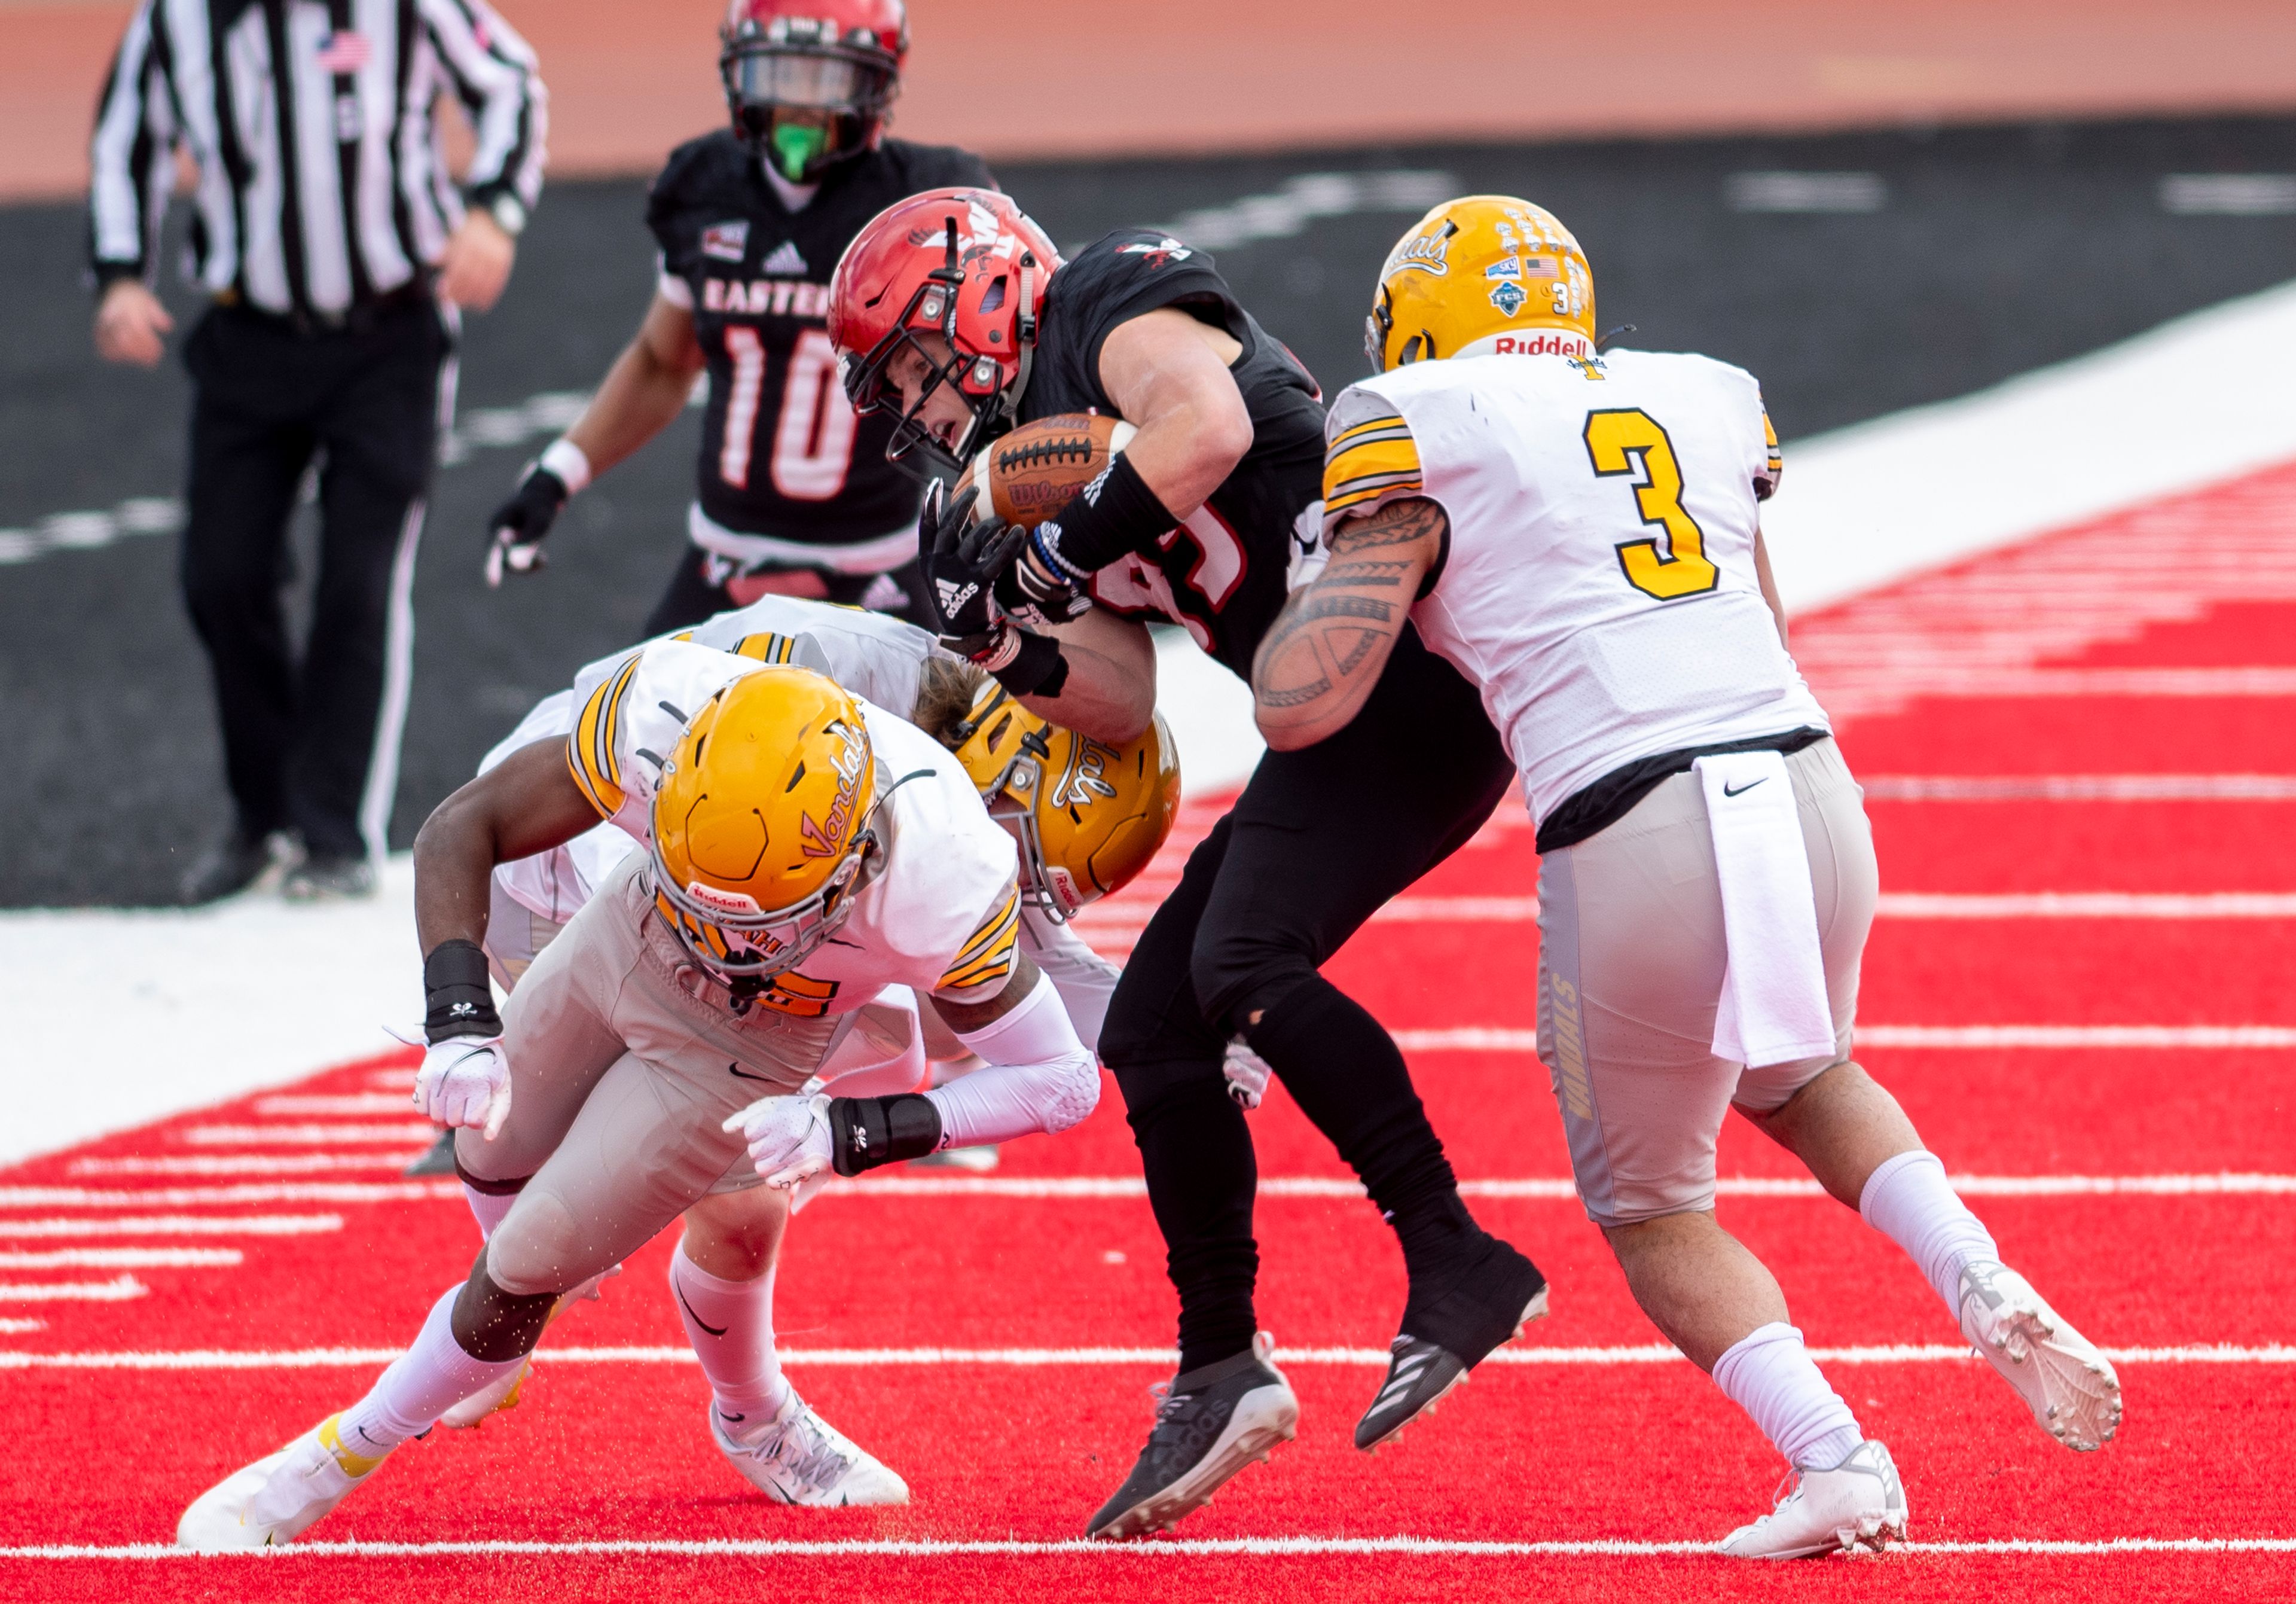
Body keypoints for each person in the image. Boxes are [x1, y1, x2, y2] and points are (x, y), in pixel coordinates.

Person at [1252, 195, 2124, 1558]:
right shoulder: (1702, 394)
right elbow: (1762, 614)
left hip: (1629, 807)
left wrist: (1318, 585)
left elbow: (1302, 704)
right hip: (1802, 775)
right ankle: (1975, 1271)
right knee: (1805, 1071)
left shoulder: (1415, 417)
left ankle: (1835, 1462)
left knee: (1652, 1207)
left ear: (1424, 326)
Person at [830, 188, 1548, 1540]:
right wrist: (1003, 632)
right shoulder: (1025, 474)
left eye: (917, 371)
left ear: (981, 294)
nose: (921, 416)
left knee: (1238, 963)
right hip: (1340, 717)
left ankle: (1455, 1254)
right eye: (898, 397)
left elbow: (1206, 430)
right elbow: (1115, 701)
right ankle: (1222, 1363)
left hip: (1412, 669)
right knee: (1156, 1028)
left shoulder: (1100, 302)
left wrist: (1051, 542)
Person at [177, 639, 1149, 1547]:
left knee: (532, 1257)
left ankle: (328, 1460)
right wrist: (459, 1020)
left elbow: (1064, 1081)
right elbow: (460, 824)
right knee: (491, 1149)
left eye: (761, 918)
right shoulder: (663, 708)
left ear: (856, 860)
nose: (728, 940)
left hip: (757, 1029)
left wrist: (847, 1126)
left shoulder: (942, 867)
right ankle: (502, 1352)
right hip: (632, 922)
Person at [89, 0, 545, 903]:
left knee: (357, 582)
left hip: (388, 338)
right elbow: (126, 137)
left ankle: (334, 832)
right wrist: (119, 272)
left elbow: (513, 87)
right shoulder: (179, 20)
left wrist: (494, 209)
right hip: (245, 337)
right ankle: (262, 818)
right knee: (220, 577)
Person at [481, 0, 990, 634]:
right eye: (778, 77)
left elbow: (992, 366)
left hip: (877, 573)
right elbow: (663, 363)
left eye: (824, 81)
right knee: (617, 727)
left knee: (943, 729)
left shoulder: (924, 199)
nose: (799, 109)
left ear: (877, 83)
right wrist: (557, 473)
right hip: (723, 566)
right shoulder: (703, 184)